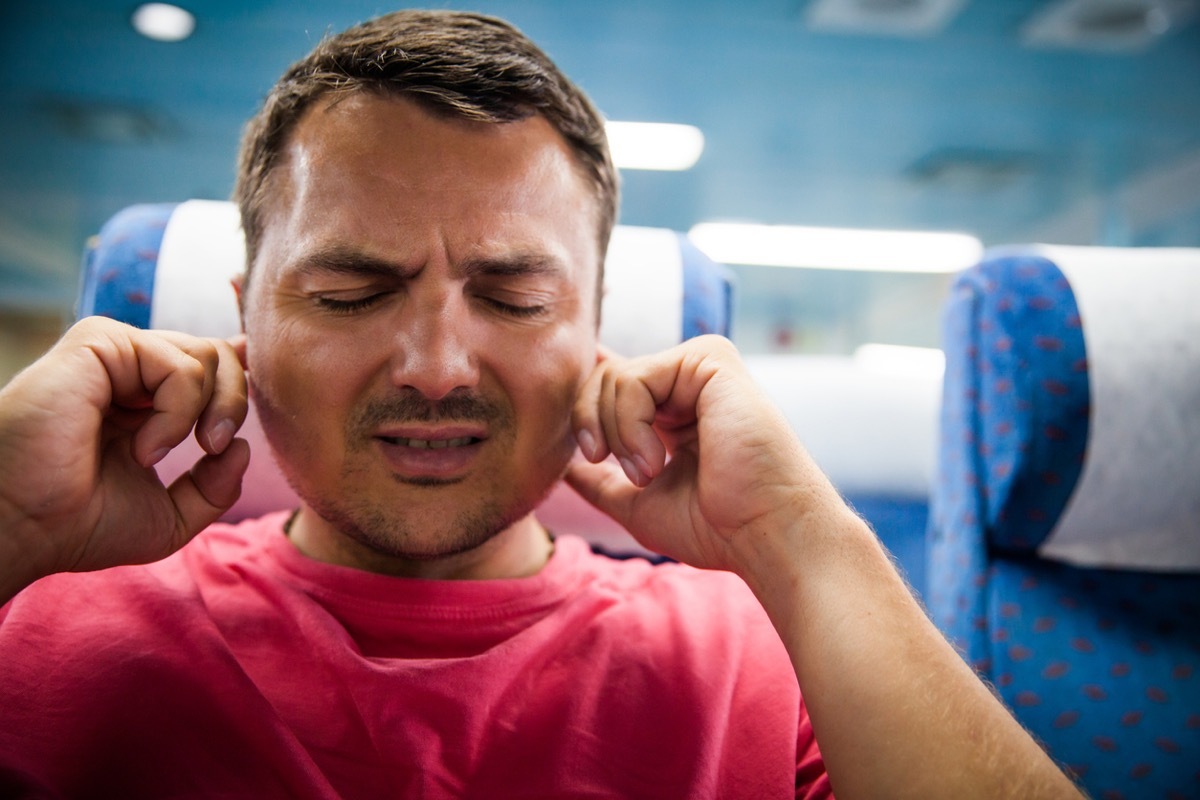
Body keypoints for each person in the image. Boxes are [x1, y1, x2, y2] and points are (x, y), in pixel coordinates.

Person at [0, 9, 1081, 799]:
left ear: (596, 329)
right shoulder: (53, 624)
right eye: (350, 291)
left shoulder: (759, 661)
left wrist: (803, 539)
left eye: (513, 296)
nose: (435, 365)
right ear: (247, 323)